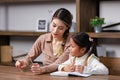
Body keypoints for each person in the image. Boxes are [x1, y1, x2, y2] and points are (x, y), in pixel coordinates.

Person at [15, 8, 73, 74]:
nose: (55, 30)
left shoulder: (72, 42)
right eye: (53, 25)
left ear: (67, 28)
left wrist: (42, 69)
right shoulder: (43, 38)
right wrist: (23, 62)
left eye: (60, 28)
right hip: (45, 76)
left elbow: (58, 64)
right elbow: (30, 57)